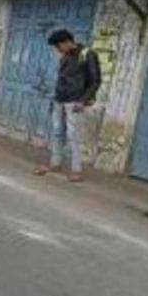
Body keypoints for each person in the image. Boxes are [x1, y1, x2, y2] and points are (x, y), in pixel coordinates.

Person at [34, 28, 102, 182]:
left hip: (75, 101)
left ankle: (76, 170)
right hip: (60, 99)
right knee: (57, 132)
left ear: (67, 42)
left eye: (59, 46)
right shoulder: (65, 56)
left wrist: (84, 100)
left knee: (73, 135)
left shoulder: (87, 54)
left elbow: (95, 80)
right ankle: (55, 163)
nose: (58, 50)